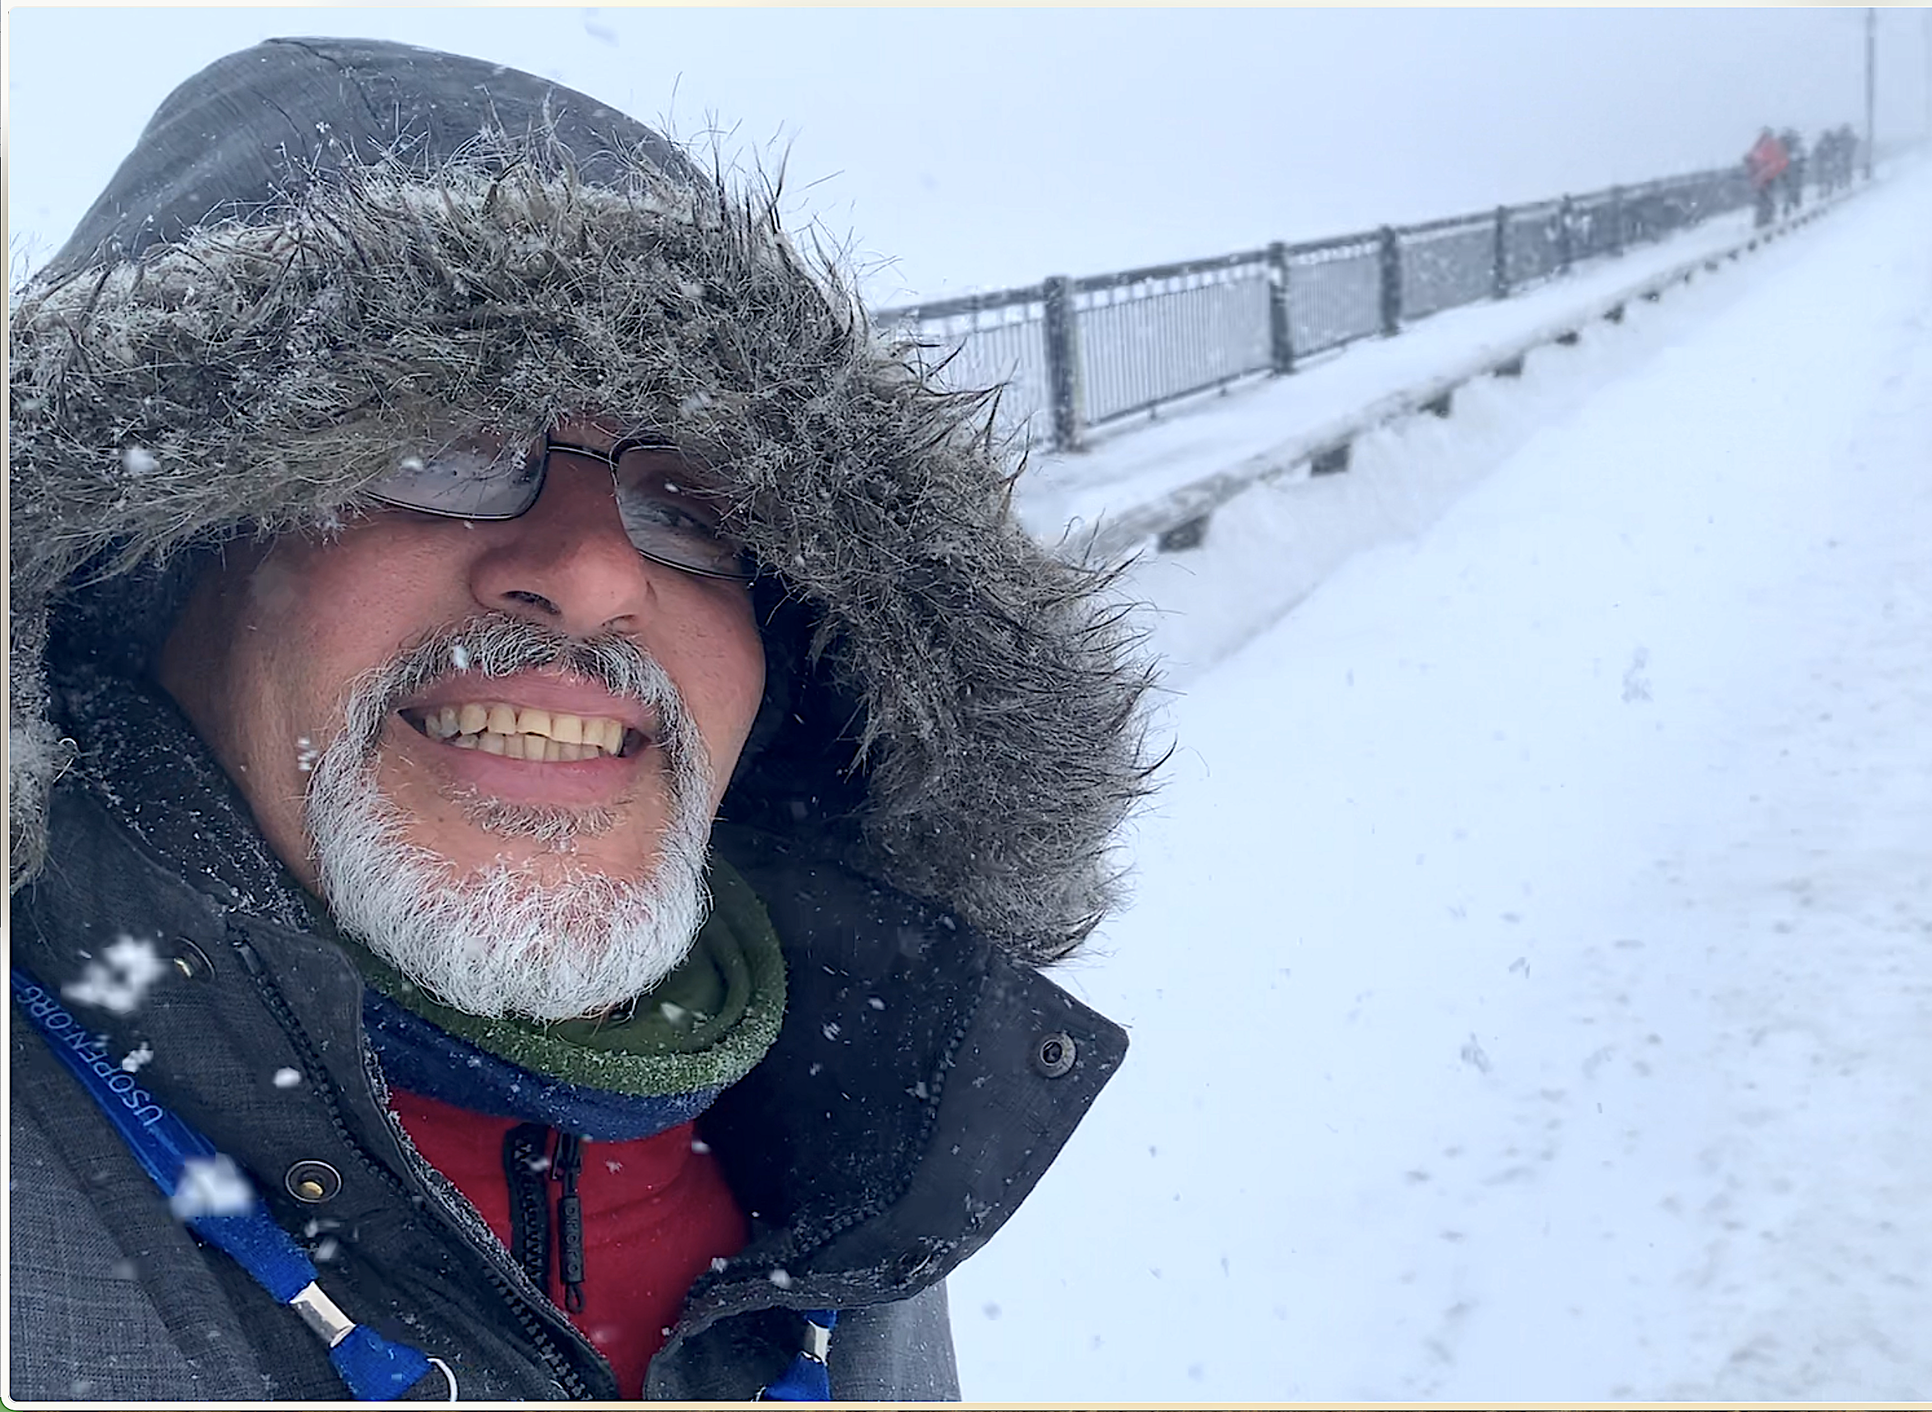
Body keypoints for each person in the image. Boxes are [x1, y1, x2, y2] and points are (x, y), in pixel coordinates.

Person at [8, 37, 1157, 1403]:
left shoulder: (841, 1128)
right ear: (145, 563)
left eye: (692, 501)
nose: (600, 569)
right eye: (425, 444)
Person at [1744, 126, 1789, 229]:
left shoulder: (1760, 144)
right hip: (1766, 176)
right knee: (1766, 199)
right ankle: (1766, 219)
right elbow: (1778, 160)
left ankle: (1762, 220)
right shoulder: (1769, 144)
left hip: (1762, 177)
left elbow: (1752, 158)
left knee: (1763, 199)